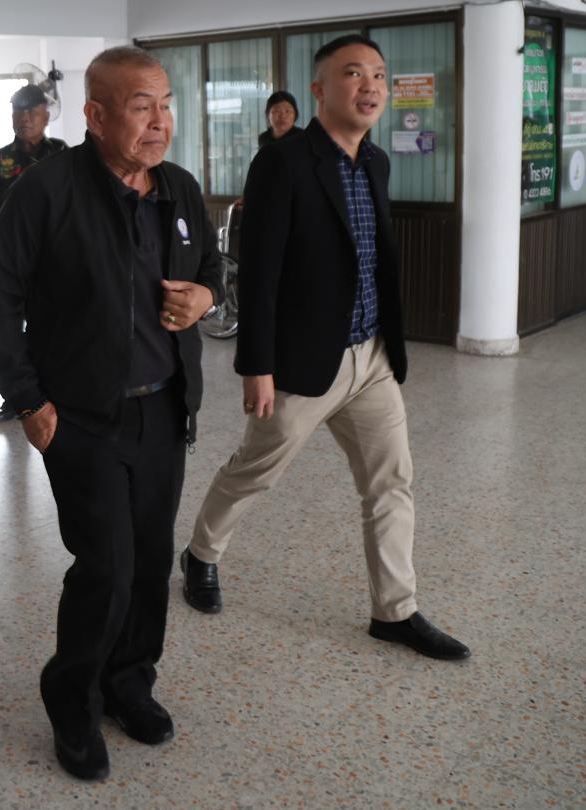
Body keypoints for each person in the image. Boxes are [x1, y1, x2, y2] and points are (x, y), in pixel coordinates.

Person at [0, 46, 224, 782]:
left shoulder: (178, 188)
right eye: (142, 107)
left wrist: (205, 298)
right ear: (96, 114)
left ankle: (129, 683)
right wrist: (27, 398)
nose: (160, 122)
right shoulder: (48, 191)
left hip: (163, 410)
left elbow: (210, 269)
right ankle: (72, 701)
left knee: (150, 565)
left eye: (166, 105)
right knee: (107, 567)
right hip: (81, 418)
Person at [178, 34, 470, 663]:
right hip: (305, 359)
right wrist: (256, 364)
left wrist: (389, 340)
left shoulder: (376, 162)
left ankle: (395, 611)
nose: (370, 87)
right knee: (256, 470)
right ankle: (201, 554)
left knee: (391, 482)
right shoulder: (282, 163)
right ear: (319, 89)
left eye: (379, 76)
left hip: (371, 355)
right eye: (353, 74)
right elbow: (260, 272)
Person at [0, 82, 69, 422]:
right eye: (18, 111)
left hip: (53, 262)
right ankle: (18, 396)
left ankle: (48, 390)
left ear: (46, 115)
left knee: (51, 328)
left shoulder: (63, 156)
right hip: (7, 263)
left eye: (31, 111)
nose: (24, 118)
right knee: (3, 331)